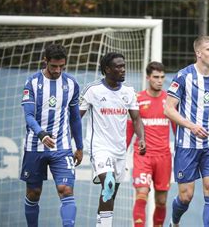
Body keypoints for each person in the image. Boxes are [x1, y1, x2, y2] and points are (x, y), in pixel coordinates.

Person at [164, 36, 209, 227]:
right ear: (198, 53)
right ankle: (174, 221)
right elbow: (168, 108)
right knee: (186, 196)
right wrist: (191, 126)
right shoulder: (183, 76)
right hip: (186, 145)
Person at [79, 52, 146, 227]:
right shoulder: (92, 90)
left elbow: (137, 119)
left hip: (119, 150)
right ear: (107, 69)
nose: (123, 70)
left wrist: (141, 138)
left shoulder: (129, 92)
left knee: (110, 193)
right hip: (99, 147)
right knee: (108, 184)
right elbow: (75, 118)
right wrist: (74, 143)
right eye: (118, 66)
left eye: (124, 66)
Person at [20, 44, 83, 227]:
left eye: (61, 66)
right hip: (35, 146)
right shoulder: (32, 82)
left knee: (66, 190)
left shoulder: (71, 84)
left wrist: (79, 147)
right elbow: (29, 116)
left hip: (61, 147)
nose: (57, 70)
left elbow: (75, 118)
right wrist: (41, 134)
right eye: (54, 66)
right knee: (33, 193)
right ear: (45, 61)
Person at [125, 62, 172, 227]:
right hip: (143, 155)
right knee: (142, 193)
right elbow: (130, 129)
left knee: (161, 201)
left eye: (162, 77)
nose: (159, 81)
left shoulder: (170, 100)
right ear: (148, 78)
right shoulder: (137, 99)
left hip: (164, 157)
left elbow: (177, 128)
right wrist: (121, 153)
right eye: (156, 77)